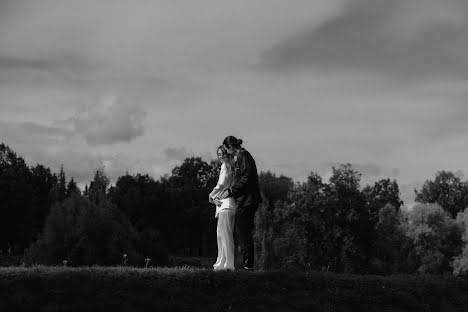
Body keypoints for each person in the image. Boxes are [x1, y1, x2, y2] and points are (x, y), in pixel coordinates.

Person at [218, 136, 262, 270]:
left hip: (248, 201)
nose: (226, 152)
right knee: (243, 231)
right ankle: (247, 265)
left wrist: (230, 191)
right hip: (245, 200)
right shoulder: (241, 158)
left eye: (226, 149)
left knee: (244, 232)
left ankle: (248, 266)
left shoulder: (244, 157)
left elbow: (246, 178)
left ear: (231, 148)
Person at [209, 145, 237, 271]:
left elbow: (221, 184)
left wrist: (211, 195)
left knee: (224, 236)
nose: (220, 157)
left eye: (222, 154)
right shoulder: (232, 167)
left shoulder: (225, 166)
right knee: (222, 236)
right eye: (218, 155)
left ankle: (228, 265)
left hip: (226, 206)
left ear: (226, 154)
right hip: (226, 205)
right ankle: (222, 263)